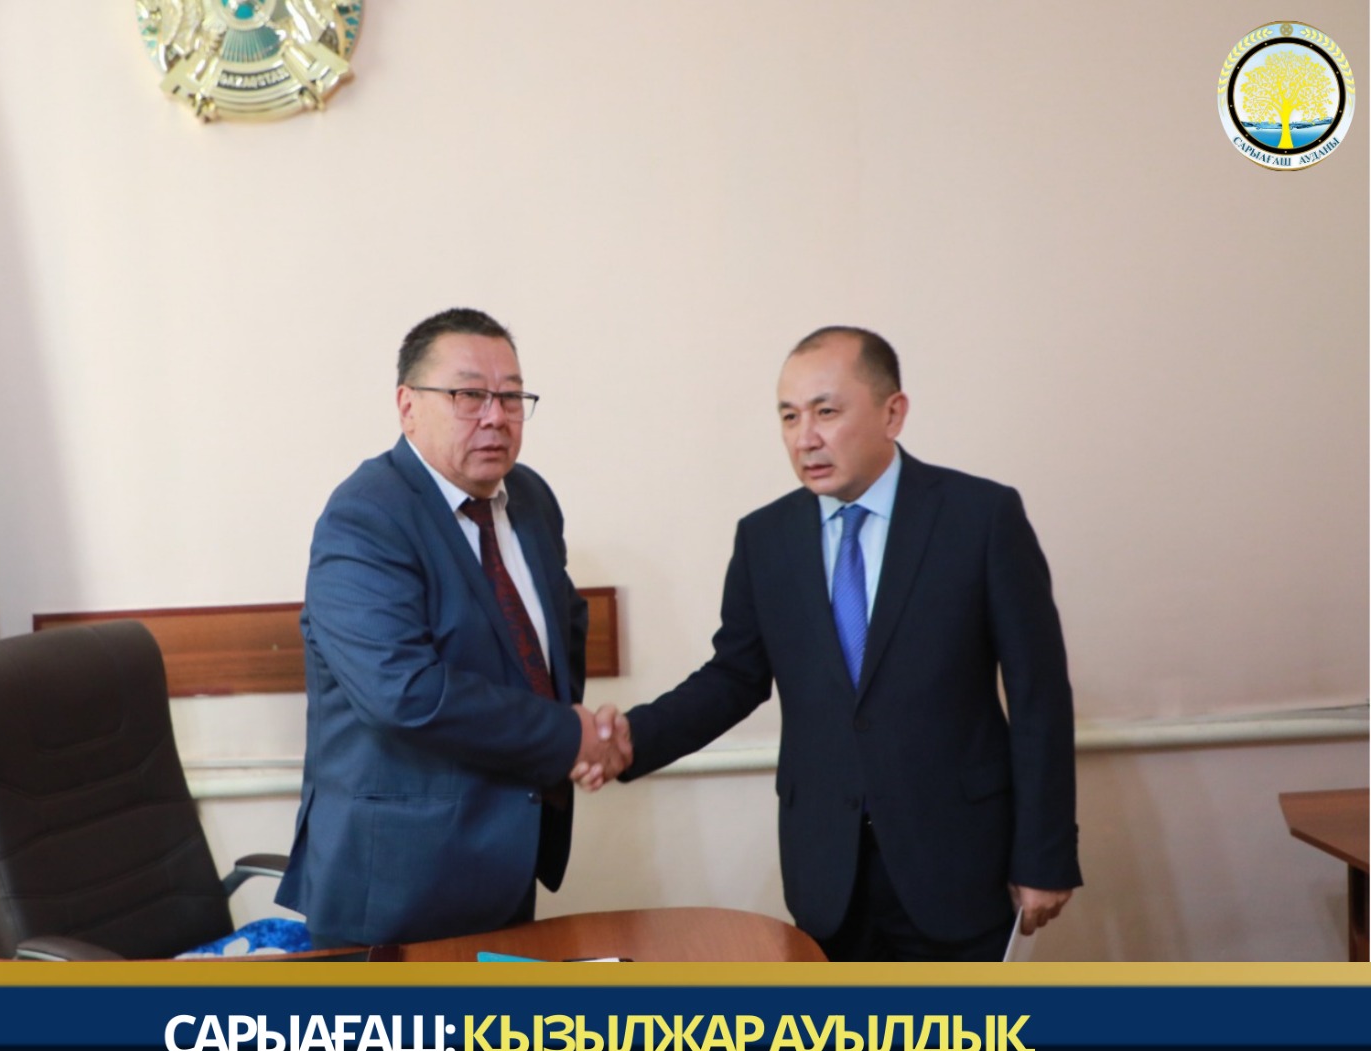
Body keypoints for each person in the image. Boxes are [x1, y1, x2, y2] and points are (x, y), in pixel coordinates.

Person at [581, 327, 1080, 961]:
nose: (804, 438)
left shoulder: (980, 517)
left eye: (826, 412)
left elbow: (1039, 696)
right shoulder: (765, 538)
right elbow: (734, 677)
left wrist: (1045, 854)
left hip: (958, 864)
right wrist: (630, 740)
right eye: (789, 416)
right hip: (829, 873)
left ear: (892, 413)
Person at [275, 308, 628, 947]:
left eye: (511, 397)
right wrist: (565, 736)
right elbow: (403, 693)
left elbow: (557, 634)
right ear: (407, 406)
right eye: (469, 395)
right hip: (394, 883)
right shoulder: (365, 516)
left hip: (507, 852)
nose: (495, 416)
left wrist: (578, 735)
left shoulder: (530, 499)